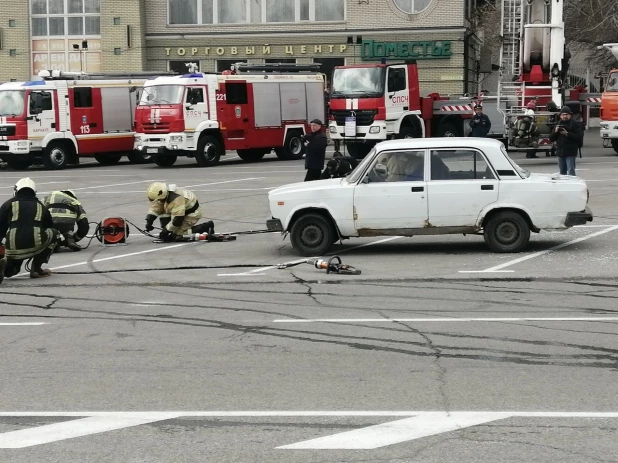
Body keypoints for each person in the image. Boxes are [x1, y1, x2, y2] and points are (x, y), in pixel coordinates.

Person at [0, 177, 56, 282]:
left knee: (11, 272)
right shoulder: (41, 206)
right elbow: (50, 226)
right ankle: (36, 269)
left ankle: (5, 264)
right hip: (35, 244)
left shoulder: (7, 204)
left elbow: (0, 229)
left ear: (16, 190)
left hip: (13, 246)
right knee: (55, 233)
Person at [144, 182, 215, 242]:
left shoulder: (176, 199)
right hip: (180, 212)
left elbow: (177, 220)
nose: (157, 201)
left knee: (178, 235)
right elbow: (156, 207)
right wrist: (149, 221)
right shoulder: (164, 195)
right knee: (164, 213)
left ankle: (206, 227)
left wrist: (166, 230)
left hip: (192, 213)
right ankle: (169, 232)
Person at [548, 106, 583, 176]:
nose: (565, 116)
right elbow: (551, 138)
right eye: (563, 115)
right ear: (560, 116)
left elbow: (579, 137)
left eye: (566, 114)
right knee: (562, 172)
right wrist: (555, 132)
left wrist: (567, 134)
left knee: (571, 172)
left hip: (571, 152)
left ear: (570, 115)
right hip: (560, 152)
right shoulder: (557, 124)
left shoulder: (576, 124)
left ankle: (572, 185)